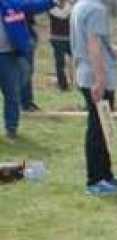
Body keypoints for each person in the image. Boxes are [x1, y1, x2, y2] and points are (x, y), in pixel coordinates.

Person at [70, 0, 117, 196]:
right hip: (96, 77)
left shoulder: (80, 6)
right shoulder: (96, 9)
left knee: (103, 128)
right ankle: (94, 180)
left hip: (86, 74)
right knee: (97, 130)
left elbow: (105, 45)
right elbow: (93, 45)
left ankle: (106, 175)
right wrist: (100, 79)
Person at [0, 0, 54, 138]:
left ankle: (11, 129)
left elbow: (32, 5)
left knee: (12, 93)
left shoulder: (10, 4)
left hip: (8, 55)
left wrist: (52, 2)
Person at [49, 0, 72, 91]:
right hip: (59, 38)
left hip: (63, 38)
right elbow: (63, 15)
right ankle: (63, 85)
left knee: (60, 63)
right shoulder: (71, 8)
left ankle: (65, 85)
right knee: (60, 63)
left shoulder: (50, 8)